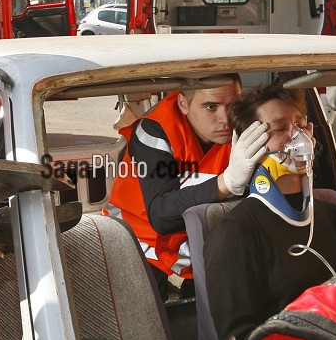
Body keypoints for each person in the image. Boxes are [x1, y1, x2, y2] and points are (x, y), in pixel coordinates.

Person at [205, 84, 336, 340]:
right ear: (250, 144)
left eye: (300, 124)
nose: (296, 136)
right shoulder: (235, 233)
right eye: (280, 128)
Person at [106, 80, 268, 285]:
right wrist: (226, 183)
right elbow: (161, 215)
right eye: (211, 106)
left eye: (233, 104)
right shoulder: (153, 131)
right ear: (183, 104)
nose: (225, 118)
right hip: (138, 244)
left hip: (199, 249)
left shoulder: (247, 126)